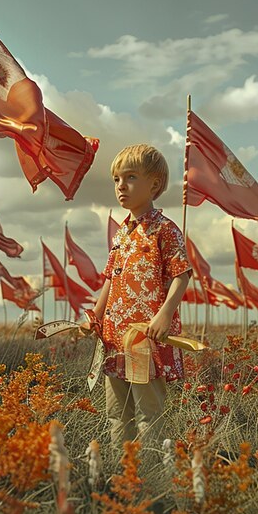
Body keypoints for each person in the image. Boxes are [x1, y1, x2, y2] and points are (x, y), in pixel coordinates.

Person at [83, 144, 191, 451]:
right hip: (114, 336)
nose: (120, 186)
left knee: (148, 412)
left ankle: (154, 477)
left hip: (145, 337)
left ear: (154, 184)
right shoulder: (121, 234)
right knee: (117, 413)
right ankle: (123, 473)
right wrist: (96, 313)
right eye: (116, 179)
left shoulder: (164, 230)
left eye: (130, 177)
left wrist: (165, 314)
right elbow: (110, 277)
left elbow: (181, 274)